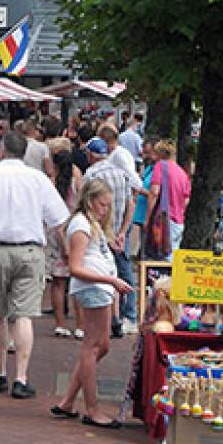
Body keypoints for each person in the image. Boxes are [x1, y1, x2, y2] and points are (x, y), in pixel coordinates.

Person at [0, 131, 70, 399]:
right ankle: (21, 377)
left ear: (2, 150)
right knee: (24, 314)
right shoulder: (38, 179)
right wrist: (65, 251)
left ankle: (0, 372)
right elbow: (58, 221)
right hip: (30, 250)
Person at [51, 179, 132, 428]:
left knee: (101, 345)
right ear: (89, 201)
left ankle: (68, 401)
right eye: (101, 204)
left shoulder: (90, 225)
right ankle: (92, 408)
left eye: (108, 206)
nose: (104, 210)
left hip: (100, 287)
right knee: (93, 345)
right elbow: (75, 267)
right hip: (94, 288)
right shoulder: (81, 225)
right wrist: (111, 279)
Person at [83, 137, 139, 335]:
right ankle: (129, 316)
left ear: (91, 155)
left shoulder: (91, 174)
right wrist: (123, 232)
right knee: (124, 274)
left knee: (99, 275)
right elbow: (131, 204)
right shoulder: (121, 174)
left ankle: (102, 319)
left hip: (99, 235)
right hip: (117, 235)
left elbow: (85, 207)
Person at [45, 137, 83, 338]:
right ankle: (80, 325)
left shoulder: (50, 181)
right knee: (77, 280)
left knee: (58, 281)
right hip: (75, 229)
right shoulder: (77, 175)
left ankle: (60, 323)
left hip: (55, 231)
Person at [145, 139, 192, 256]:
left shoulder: (160, 166)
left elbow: (154, 192)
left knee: (162, 256)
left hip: (164, 219)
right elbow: (186, 200)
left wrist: (148, 217)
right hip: (179, 220)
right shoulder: (182, 173)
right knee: (173, 255)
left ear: (160, 154)